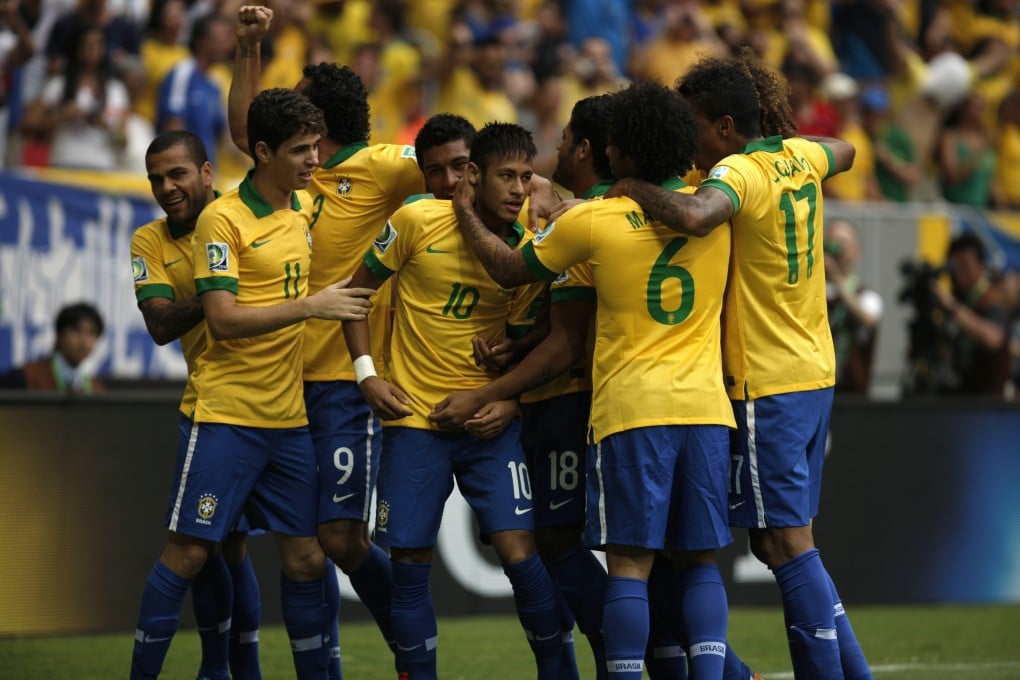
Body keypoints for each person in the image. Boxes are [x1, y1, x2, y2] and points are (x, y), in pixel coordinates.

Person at [440, 81, 736, 680]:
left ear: (619, 149)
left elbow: (506, 266)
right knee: (699, 565)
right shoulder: (718, 218)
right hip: (707, 408)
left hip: (631, 410)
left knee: (630, 563)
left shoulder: (593, 223)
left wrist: (465, 208)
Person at [599, 54, 871, 679]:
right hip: (814, 371)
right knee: (787, 539)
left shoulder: (737, 172)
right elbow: (848, 149)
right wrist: (790, 147)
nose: (687, 139)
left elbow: (697, 216)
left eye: (694, 124)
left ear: (724, 126)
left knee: (784, 543)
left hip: (766, 381)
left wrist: (635, 188)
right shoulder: (798, 158)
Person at [129, 87, 376, 680]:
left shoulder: (300, 214)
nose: (314, 161)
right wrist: (312, 305)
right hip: (225, 416)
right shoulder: (222, 220)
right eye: (301, 150)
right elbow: (222, 319)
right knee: (191, 552)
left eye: (316, 147)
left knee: (307, 557)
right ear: (263, 154)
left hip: (288, 421)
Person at [227, 6, 428, 675]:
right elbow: (245, 129)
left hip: (345, 381)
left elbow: (460, 164)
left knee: (341, 537)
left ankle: (409, 643)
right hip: (282, 385)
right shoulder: (292, 180)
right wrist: (249, 49)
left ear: (318, 125)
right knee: (302, 545)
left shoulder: (381, 167)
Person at [341, 122, 566, 680]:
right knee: (411, 565)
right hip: (415, 421)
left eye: (524, 177)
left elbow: (520, 349)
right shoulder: (416, 220)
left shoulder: (530, 251)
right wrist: (367, 375)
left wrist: (507, 400)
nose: (518, 189)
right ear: (474, 177)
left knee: (520, 555)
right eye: (505, 176)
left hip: (489, 426)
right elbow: (355, 294)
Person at [130, 129, 262, 679]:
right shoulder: (150, 242)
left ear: (207, 173)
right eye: (157, 178)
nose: (167, 187)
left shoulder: (243, 217)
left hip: (284, 402)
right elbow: (160, 325)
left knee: (302, 549)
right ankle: (219, 670)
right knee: (208, 547)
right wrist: (214, 293)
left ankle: (237, 670)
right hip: (213, 403)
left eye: (177, 174)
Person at [929, 232, 1012, 396]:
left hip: (988, 402)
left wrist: (953, 308)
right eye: (955, 267)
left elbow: (993, 338)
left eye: (965, 266)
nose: (960, 275)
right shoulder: (962, 299)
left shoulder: (991, 299)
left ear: (982, 266)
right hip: (961, 396)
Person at [825, 219, 883, 394]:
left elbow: (868, 318)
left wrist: (836, 278)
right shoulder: (815, 293)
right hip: (819, 389)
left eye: (842, 242)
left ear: (856, 251)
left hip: (853, 391)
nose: (836, 249)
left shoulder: (865, 295)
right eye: (832, 242)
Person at [0, 301, 104, 393]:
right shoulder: (26, 377)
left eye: (92, 333)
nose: (84, 340)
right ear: (59, 335)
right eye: (77, 331)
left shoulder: (96, 389)